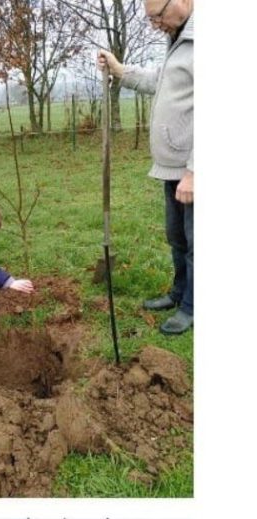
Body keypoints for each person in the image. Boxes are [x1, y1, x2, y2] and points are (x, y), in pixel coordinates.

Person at [99, 0, 193, 335]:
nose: (155, 24)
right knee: (178, 237)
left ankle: (193, 307)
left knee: (198, 241)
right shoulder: (178, 39)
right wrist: (120, 71)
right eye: (150, 19)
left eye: (157, 16)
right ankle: (180, 293)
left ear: (179, 1)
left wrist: (195, 171)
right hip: (173, 166)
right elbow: (159, 82)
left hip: (192, 169)